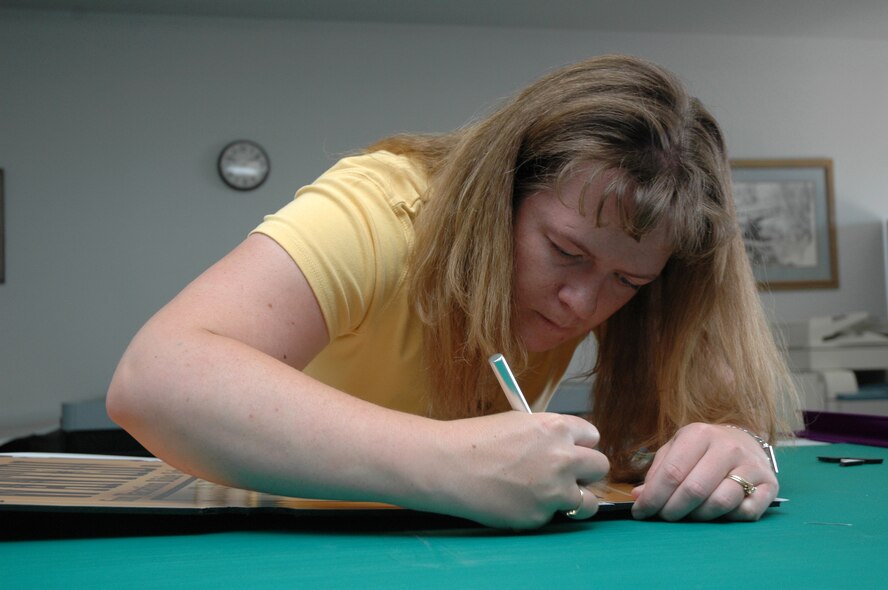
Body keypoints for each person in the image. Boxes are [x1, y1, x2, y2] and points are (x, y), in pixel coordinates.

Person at [106, 54, 795, 529]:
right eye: (563, 252)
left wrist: (734, 446)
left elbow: (723, 407)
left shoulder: (644, 279)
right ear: (501, 194)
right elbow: (156, 378)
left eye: (626, 280)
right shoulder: (383, 207)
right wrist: (449, 461)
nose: (581, 306)